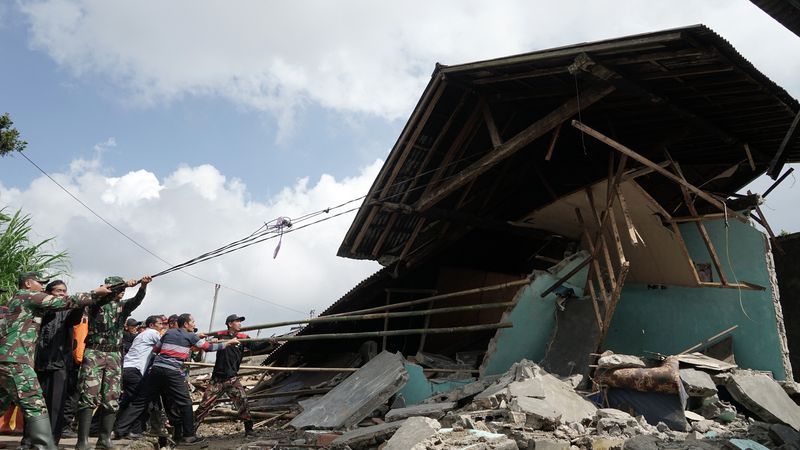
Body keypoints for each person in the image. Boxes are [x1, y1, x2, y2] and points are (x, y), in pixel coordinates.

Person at [0, 271, 112, 450]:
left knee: (2, 400)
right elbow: (63, 302)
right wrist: (95, 292)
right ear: (28, 284)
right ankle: (46, 446)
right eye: (40, 282)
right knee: (35, 402)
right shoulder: (29, 296)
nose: (43, 286)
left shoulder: (16, 300)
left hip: (7, 358)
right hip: (16, 360)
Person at [115, 314, 239, 446]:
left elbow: (156, 349)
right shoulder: (191, 336)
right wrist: (229, 342)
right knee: (185, 403)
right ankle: (189, 437)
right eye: (193, 322)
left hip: (156, 370)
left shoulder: (169, 333)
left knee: (141, 400)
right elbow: (209, 348)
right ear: (185, 324)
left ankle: (119, 430)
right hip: (172, 372)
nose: (194, 324)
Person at [75, 275, 152, 450]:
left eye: (123, 289)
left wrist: (142, 286)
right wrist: (122, 285)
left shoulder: (122, 307)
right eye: (118, 288)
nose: (122, 292)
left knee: (112, 398)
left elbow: (137, 301)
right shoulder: (97, 304)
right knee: (88, 396)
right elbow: (95, 298)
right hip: (94, 352)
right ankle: (82, 442)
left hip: (114, 356)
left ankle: (104, 440)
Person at [194, 314, 276, 436]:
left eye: (240, 321)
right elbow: (206, 344)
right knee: (204, 405)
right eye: (237, 321)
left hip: (232, 378)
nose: (239, 323)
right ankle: (190, 432)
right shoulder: (220, 335)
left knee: (243, 402)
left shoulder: (242, 337)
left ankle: (249, 430)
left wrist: (268, 342)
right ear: (230, 324)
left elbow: (255, 346)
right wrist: (212, 341)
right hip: (217, 379)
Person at [32, 280, 84, 445]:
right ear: (49, 293)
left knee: (56, 406)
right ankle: (29, 439)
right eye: (58, 291)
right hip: (38, 363)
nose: (62, 294)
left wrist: (80, 303)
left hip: (59, 364)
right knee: (34, 404)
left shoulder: (69, 312)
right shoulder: (40, 309)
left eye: (64, 291)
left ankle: (52, 441)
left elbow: (76, 316)